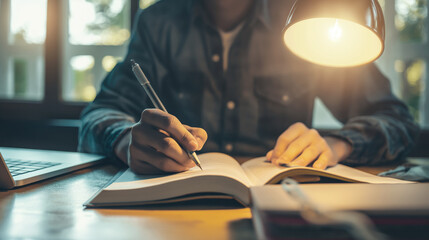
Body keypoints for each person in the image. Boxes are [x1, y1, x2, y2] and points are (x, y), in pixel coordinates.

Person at [78, 0, 419, 174]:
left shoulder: (310, 23)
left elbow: (397, 120)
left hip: (281, 205)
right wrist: (127, 142)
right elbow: (98, 115)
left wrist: (337, 144)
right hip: (170, 213)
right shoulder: (159, 24)